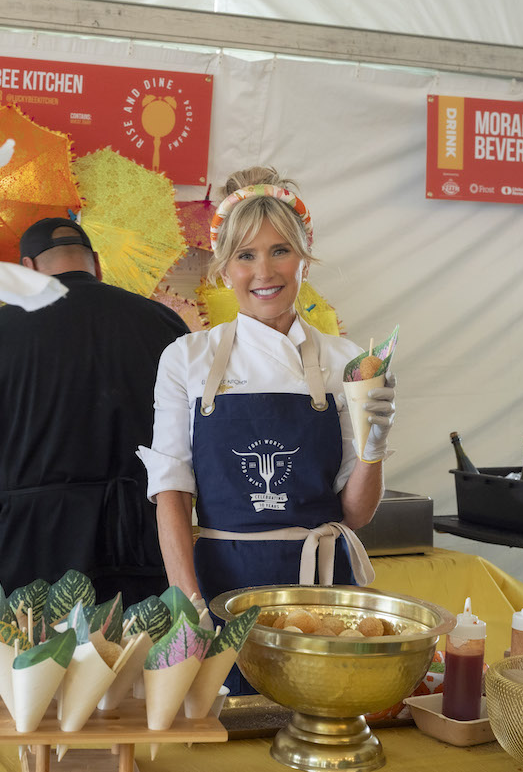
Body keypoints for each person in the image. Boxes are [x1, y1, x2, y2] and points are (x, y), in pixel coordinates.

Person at [137, 168, 396, 693]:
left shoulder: (348, 362)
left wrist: (374, 446)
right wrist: (187, 600)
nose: (264, 272)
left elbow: (357, 514)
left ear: (304, 257)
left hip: (320, 590)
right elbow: (171, 491)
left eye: (280, 251)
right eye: (245, 255)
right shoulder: (188, 358)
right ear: (224, 267)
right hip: (222, 585)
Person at [0, 217, 190, 605]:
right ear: (96, 264)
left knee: (43, 662)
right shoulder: (163, 323)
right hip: (144, 539)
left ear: (28, 269)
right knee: (142, 660)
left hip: (37, 546)